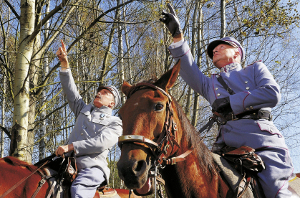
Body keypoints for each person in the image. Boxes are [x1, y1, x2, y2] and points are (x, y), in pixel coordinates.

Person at [160, 3, 294, 198]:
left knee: (278, 191)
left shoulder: (255, 70)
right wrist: (178, 36)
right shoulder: (210, 83)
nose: (215, 50)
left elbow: (272, 93)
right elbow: (188, 68)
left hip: (262, 143)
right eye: (213, 50)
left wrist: (232, 103)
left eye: (221, 47)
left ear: (237, 53)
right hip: (226, 147)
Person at [55, 40, 122, 198]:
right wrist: (65, 64)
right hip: (66, 163)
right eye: (99, 91)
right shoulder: (83, 109)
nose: (99, 93)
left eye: (105, 93)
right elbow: (71, 91)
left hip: (91, 168)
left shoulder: (116, 123)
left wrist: (70, 147)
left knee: (78, 191)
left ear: (112, 103)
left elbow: (100, 143)